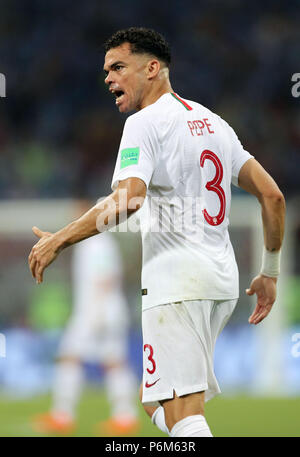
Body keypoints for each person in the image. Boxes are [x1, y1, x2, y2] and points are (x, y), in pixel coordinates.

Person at [28, 27, 285, 438]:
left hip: (177, 282)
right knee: (154, 401)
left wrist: (60, 238)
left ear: (152, 68)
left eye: (118, 67)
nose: (108, 78)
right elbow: (272, 196)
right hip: (220, 281)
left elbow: (129, 199)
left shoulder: (144, 124)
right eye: (106, 70)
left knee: (184, 417)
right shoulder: (214, 123)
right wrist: (270, 271)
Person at [32, 200, 139, 436]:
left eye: (78, 213)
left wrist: (97, 314)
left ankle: (63, 415)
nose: (74, 217)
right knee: (114, 362)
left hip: (96, 312)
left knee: (69, 357)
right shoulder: (96, 243)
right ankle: (125, 416)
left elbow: (105, 279)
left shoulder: (97, 244)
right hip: (105, 311)